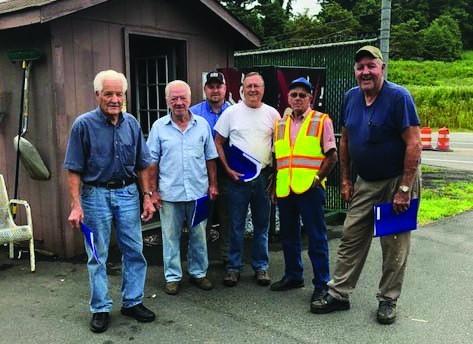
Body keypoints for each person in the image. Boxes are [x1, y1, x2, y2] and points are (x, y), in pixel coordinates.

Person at [311, 46, 422, 325]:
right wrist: (346, 180)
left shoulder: (399, 97)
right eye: (360, 67)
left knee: (393, 243)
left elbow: (414, 143)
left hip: (398, 179)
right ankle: (339, 294)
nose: (365, 72)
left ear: (382, 68)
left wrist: (405, 189)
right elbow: (345, 140)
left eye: (371, 66)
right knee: (351, 235)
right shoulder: (351, 97)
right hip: (366, 180)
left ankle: (388, 299)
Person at [64, 70, 156, 333]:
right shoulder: (83, 125)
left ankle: (132, 301)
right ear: (97, 95)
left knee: (134, 250)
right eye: (109, 94)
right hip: (95, 196)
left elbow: (142, 165)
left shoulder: (132, 124)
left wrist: (147, 197)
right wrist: (76, 204)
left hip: (128, 194)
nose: (115, 99)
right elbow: (73, 169)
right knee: (97, 254)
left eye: (119, 94)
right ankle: (100, 308)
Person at [270, 77, 338, 307]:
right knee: (289, 236)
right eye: (294, 95)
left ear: (310, 98)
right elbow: (278, 158)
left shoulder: (321, 121)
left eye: (302, 95)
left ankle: (322, 284)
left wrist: (318, 179)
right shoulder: (280, 124)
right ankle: (293, 275)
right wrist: (274, 185)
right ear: (288, 98)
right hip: (286, 189)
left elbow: (332, 156)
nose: (298, 98)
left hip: (310, 188)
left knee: (316, 237)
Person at [147, 80, 219, 296]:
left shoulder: (202, 125)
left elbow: (211, 157)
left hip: (198, 192)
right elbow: (152, 162)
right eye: (174, 99)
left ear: (190, 99)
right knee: (170, 237)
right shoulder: (159, 127)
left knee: (199, 235)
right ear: (167, 101)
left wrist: (213, 184)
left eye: (182, 98)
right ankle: (172, 277)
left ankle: (198, 273)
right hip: (170, 193)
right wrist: (153, 191)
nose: (179, 103)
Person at [214, 72, 280, 287]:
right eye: (249, 86)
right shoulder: (231, 113)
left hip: (263, 177)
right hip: (237, 179)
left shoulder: (273, 114)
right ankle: (233, 267)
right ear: (242, 88)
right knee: (235, 224)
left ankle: (261, 266)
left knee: (262, 224)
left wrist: (276, 176)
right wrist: (227, 169)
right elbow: (218, 142)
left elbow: (279, 148)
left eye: (257, 86)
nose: (253, 90)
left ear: (263, 89)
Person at [190, 71, 231, 264]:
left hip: (229, 175)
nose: (215, 90)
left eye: (219, 86)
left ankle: (227, 260)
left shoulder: (235, 111)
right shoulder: (194, 112)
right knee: (201, 221)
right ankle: (201, 263)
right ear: (205, 89)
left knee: (227, 219)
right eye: (211, 86)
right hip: (201, 176)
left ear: (225, 88)